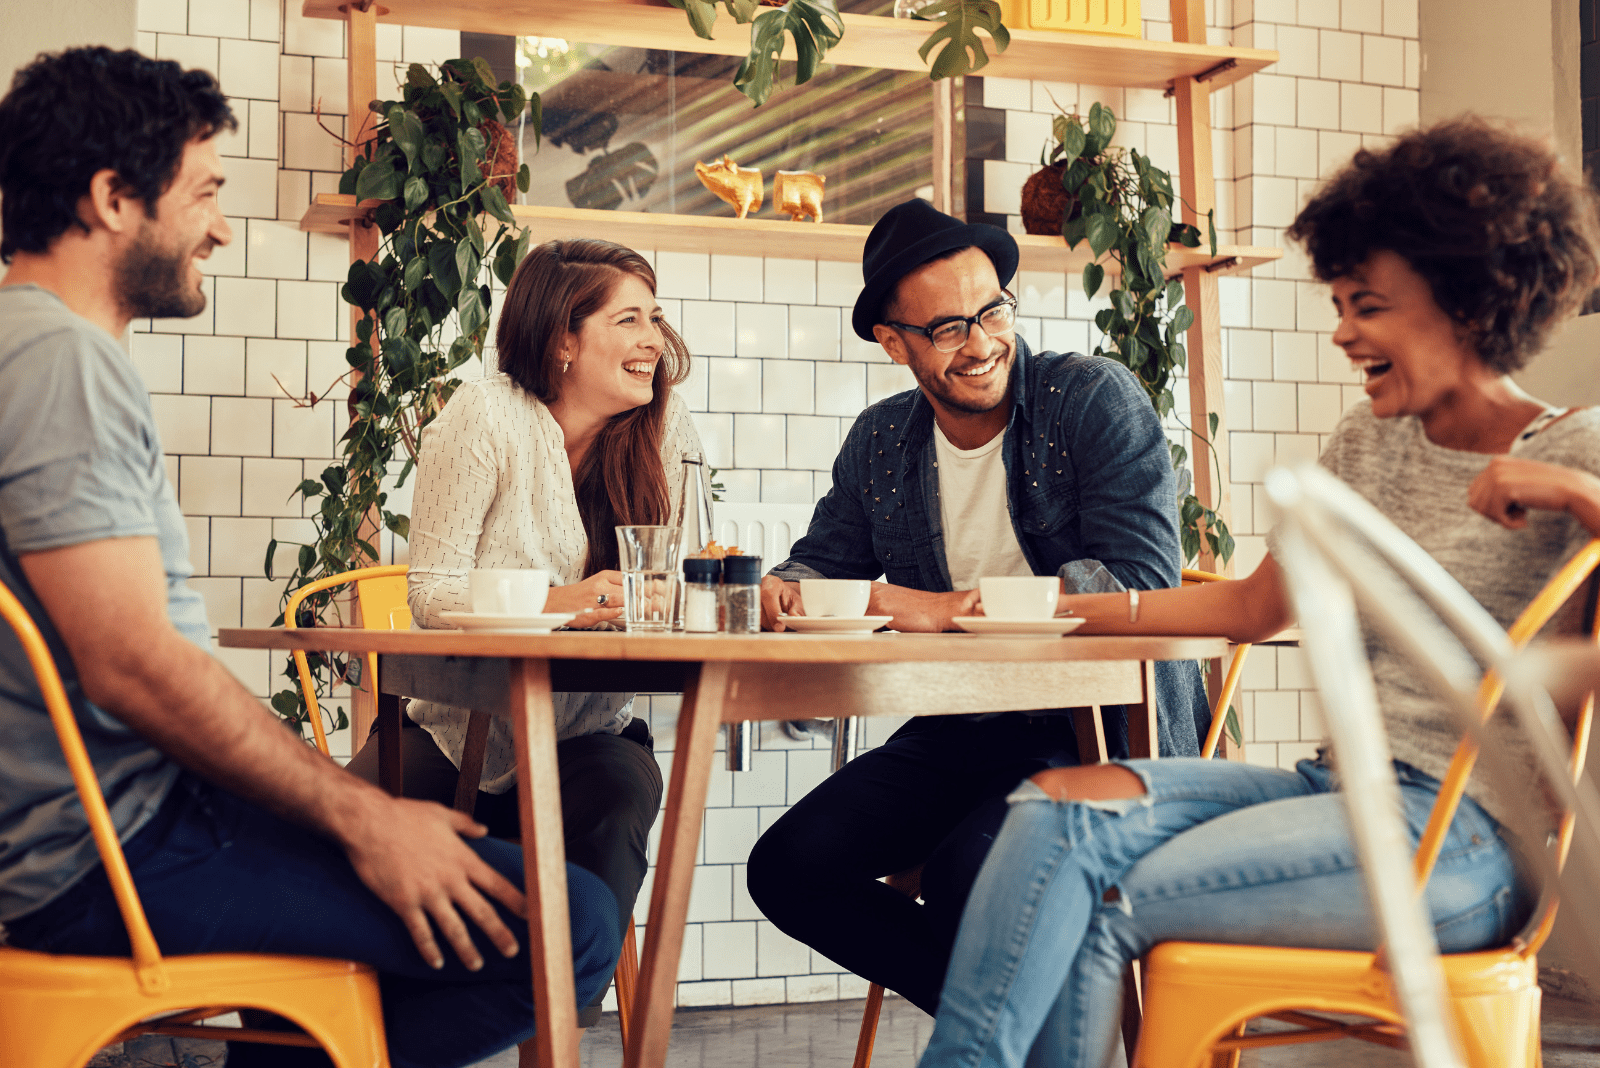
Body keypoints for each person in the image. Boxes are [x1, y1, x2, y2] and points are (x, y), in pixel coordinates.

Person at [915, 117, 1600, 1068]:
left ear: (1465, 303)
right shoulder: (1368, 444)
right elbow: (1245, 609)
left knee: (1093, 893)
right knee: (1052, 813)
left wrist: (1580, 495)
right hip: (1337, 794)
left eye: (1369, 306)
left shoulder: (1576, 446)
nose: (1343, 331)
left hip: (1464, 844)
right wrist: (1008, 607)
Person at [0, 48, 619, 1068]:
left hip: (106, 828)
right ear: (112, 198)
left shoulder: (29, 347)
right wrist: (365, 819)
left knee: (456, 897)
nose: (220, 226)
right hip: (114, 852)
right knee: (571, 923)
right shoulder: (62, 362)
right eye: (202, 191)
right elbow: (133, 662)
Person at [745, 198, 1210, 1015]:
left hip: (1096, 732)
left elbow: (1145, 587)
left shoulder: (1092, 400)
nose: (984, 343)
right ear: (895, 343)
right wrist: (782, 587)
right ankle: (1018, 1024)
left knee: (972, 874)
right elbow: (820, 563)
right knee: (790, 867)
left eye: (992, 310)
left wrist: (947, 608)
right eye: (949, 328)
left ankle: (1016, 1031)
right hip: (958, 727)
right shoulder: (881, 442)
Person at [348, 236, 705, 1028]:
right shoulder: (486, 415)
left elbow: (676, 591)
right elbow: (432, 594)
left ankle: (546, 1016)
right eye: (631, 318)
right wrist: (569, 600)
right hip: (449, 732)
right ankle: (374, 1029)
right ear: (563, 339)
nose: (655, 339)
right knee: (341, 842)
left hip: (584, 736)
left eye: (657, 317)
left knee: (621, 799)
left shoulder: (667, 437)